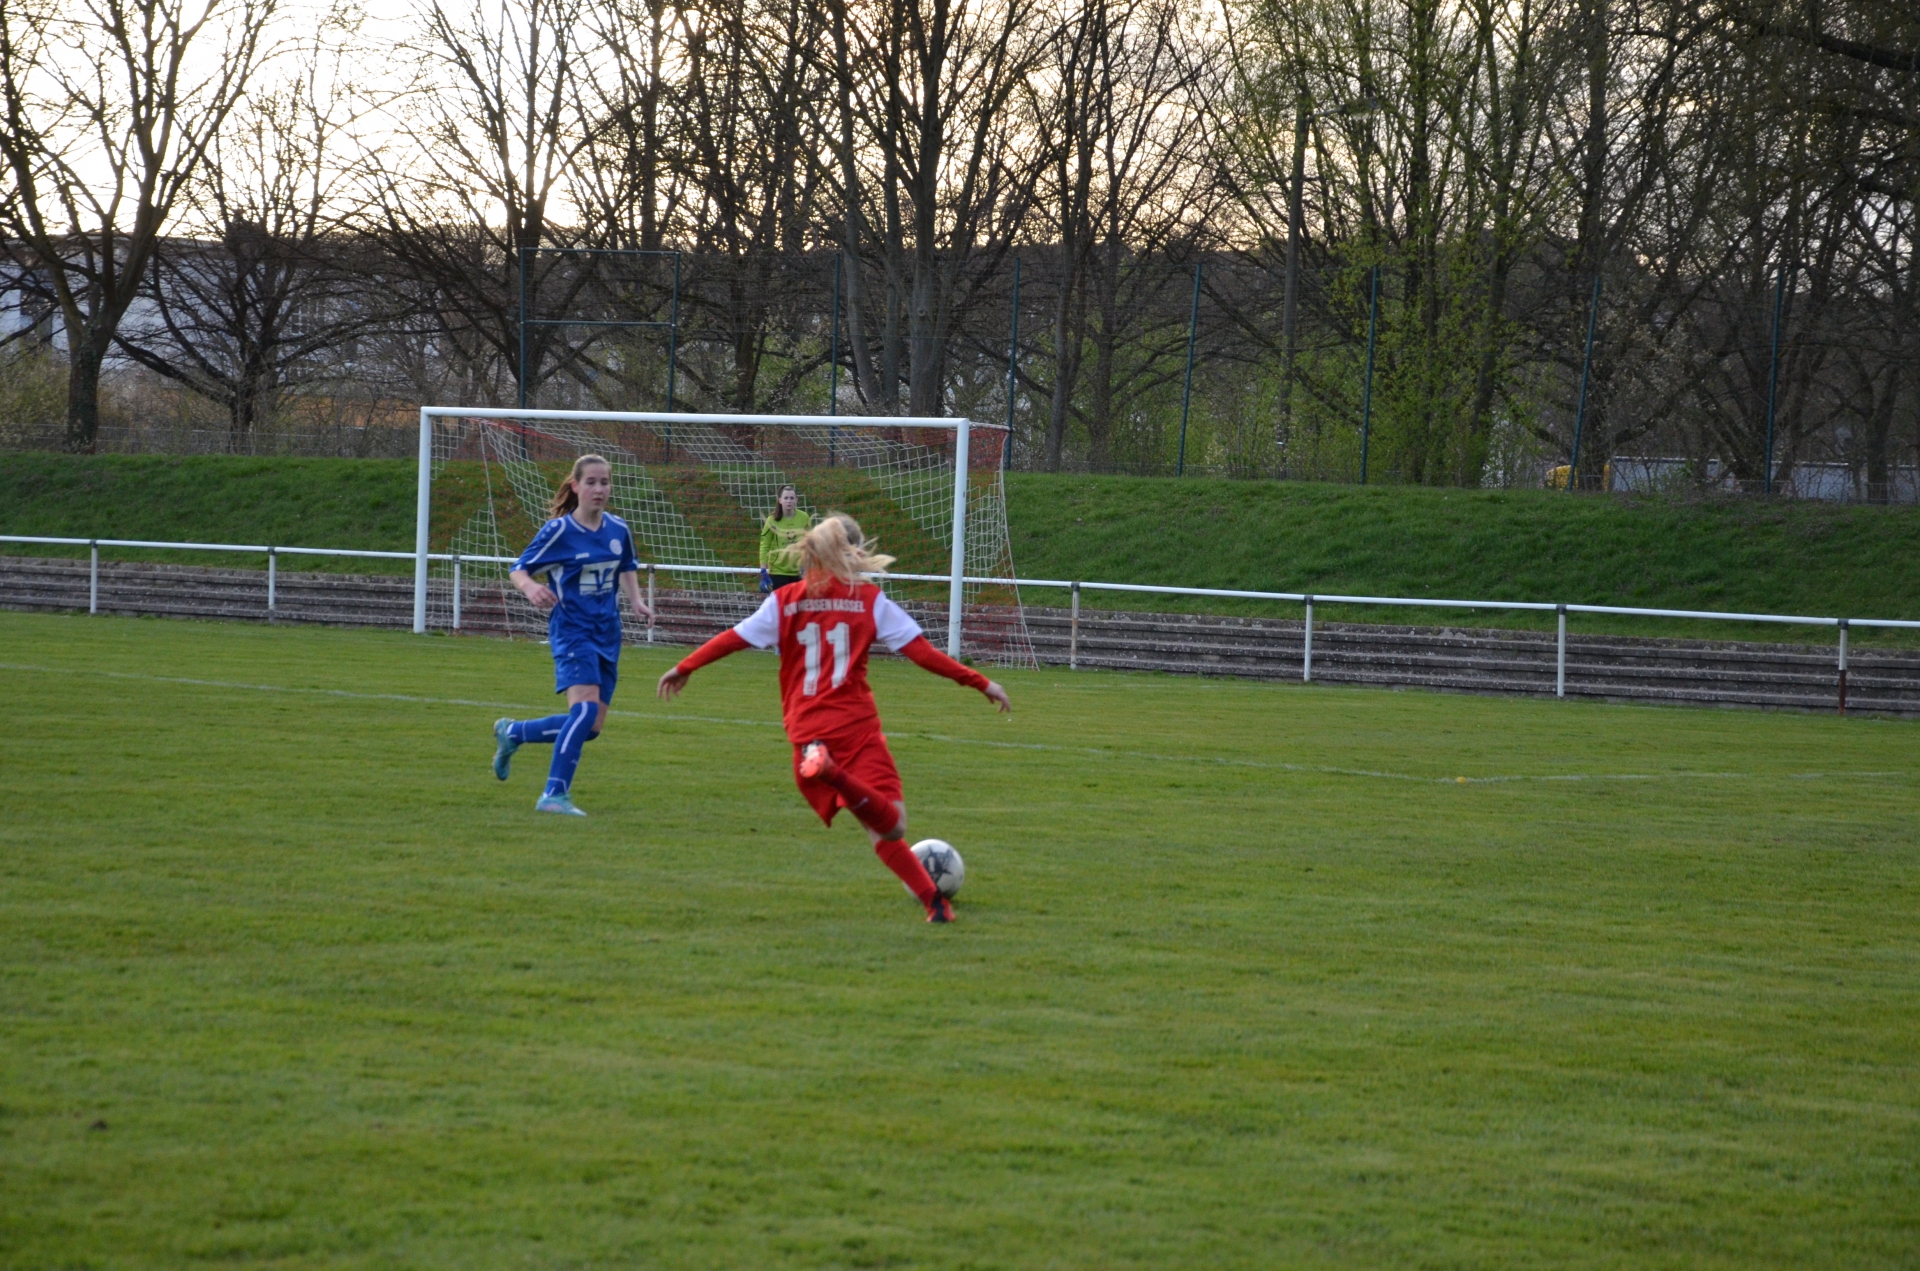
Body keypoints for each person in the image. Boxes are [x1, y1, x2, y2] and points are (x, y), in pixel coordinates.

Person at [658, 513, 1010, 922]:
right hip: (855, 730)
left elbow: (733, 638)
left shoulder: (785, 600)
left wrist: (685, 667)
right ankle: (835, 774)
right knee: (893, 825)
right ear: (855, 553)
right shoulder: (870, 600)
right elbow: (922, 654)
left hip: (806, 738)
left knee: (878, 831)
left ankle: (936, 905)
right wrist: (981, 682)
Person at [490, 454, 653, 816]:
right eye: (591, 482)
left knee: (590, 727)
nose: (599, 489)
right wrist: (531, 587)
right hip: (572, 631)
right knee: (584, 710)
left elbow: (627, 565)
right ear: (576, 486)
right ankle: (553, 795)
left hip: (607, 633)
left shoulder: (618, 529)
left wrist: (637, 601)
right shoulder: (559, 532)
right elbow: (519, 569)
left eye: (604, 482)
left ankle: (513, 733)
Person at [758, 484, 811, 593]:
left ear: (796, 500)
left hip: (798, 571)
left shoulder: (804, 517)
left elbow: (809, 542)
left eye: (791, 498)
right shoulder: (771, 520)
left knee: (798, 603)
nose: (789, 501)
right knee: (782, 603)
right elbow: (764, 545)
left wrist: (807, 564)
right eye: (786, 498)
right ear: (780, 500)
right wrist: (763, 571)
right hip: (778, 572)